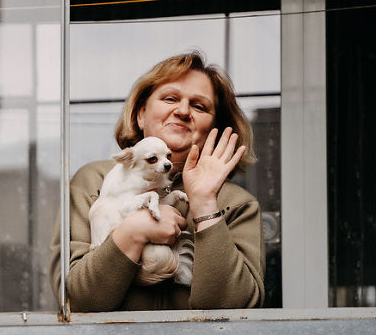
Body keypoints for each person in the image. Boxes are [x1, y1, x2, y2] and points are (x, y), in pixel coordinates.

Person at [50, 50, 264, 311]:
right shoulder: (94, 181)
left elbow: (236, 308)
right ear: (141, 115)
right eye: (170, 98)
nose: (183, 111)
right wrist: (133, 231)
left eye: (199, 106)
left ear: (213, 128)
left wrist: (205, 204)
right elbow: (79, 300)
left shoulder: (239, 204)